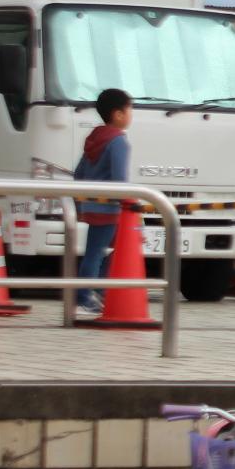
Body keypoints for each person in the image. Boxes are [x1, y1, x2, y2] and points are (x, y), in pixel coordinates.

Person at [72, 88, 133, 318]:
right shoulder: (118, 141)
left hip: (91, 205)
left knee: (96, 251)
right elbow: (120, 179)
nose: (130, 114)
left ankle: (94, 290)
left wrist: (80, 204)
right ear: (118, 114)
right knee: (102, 252)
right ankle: (86, 297)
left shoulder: (94, 138)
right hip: (111, 208)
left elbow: (78, 174)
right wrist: (129, 202)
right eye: (129, 109)